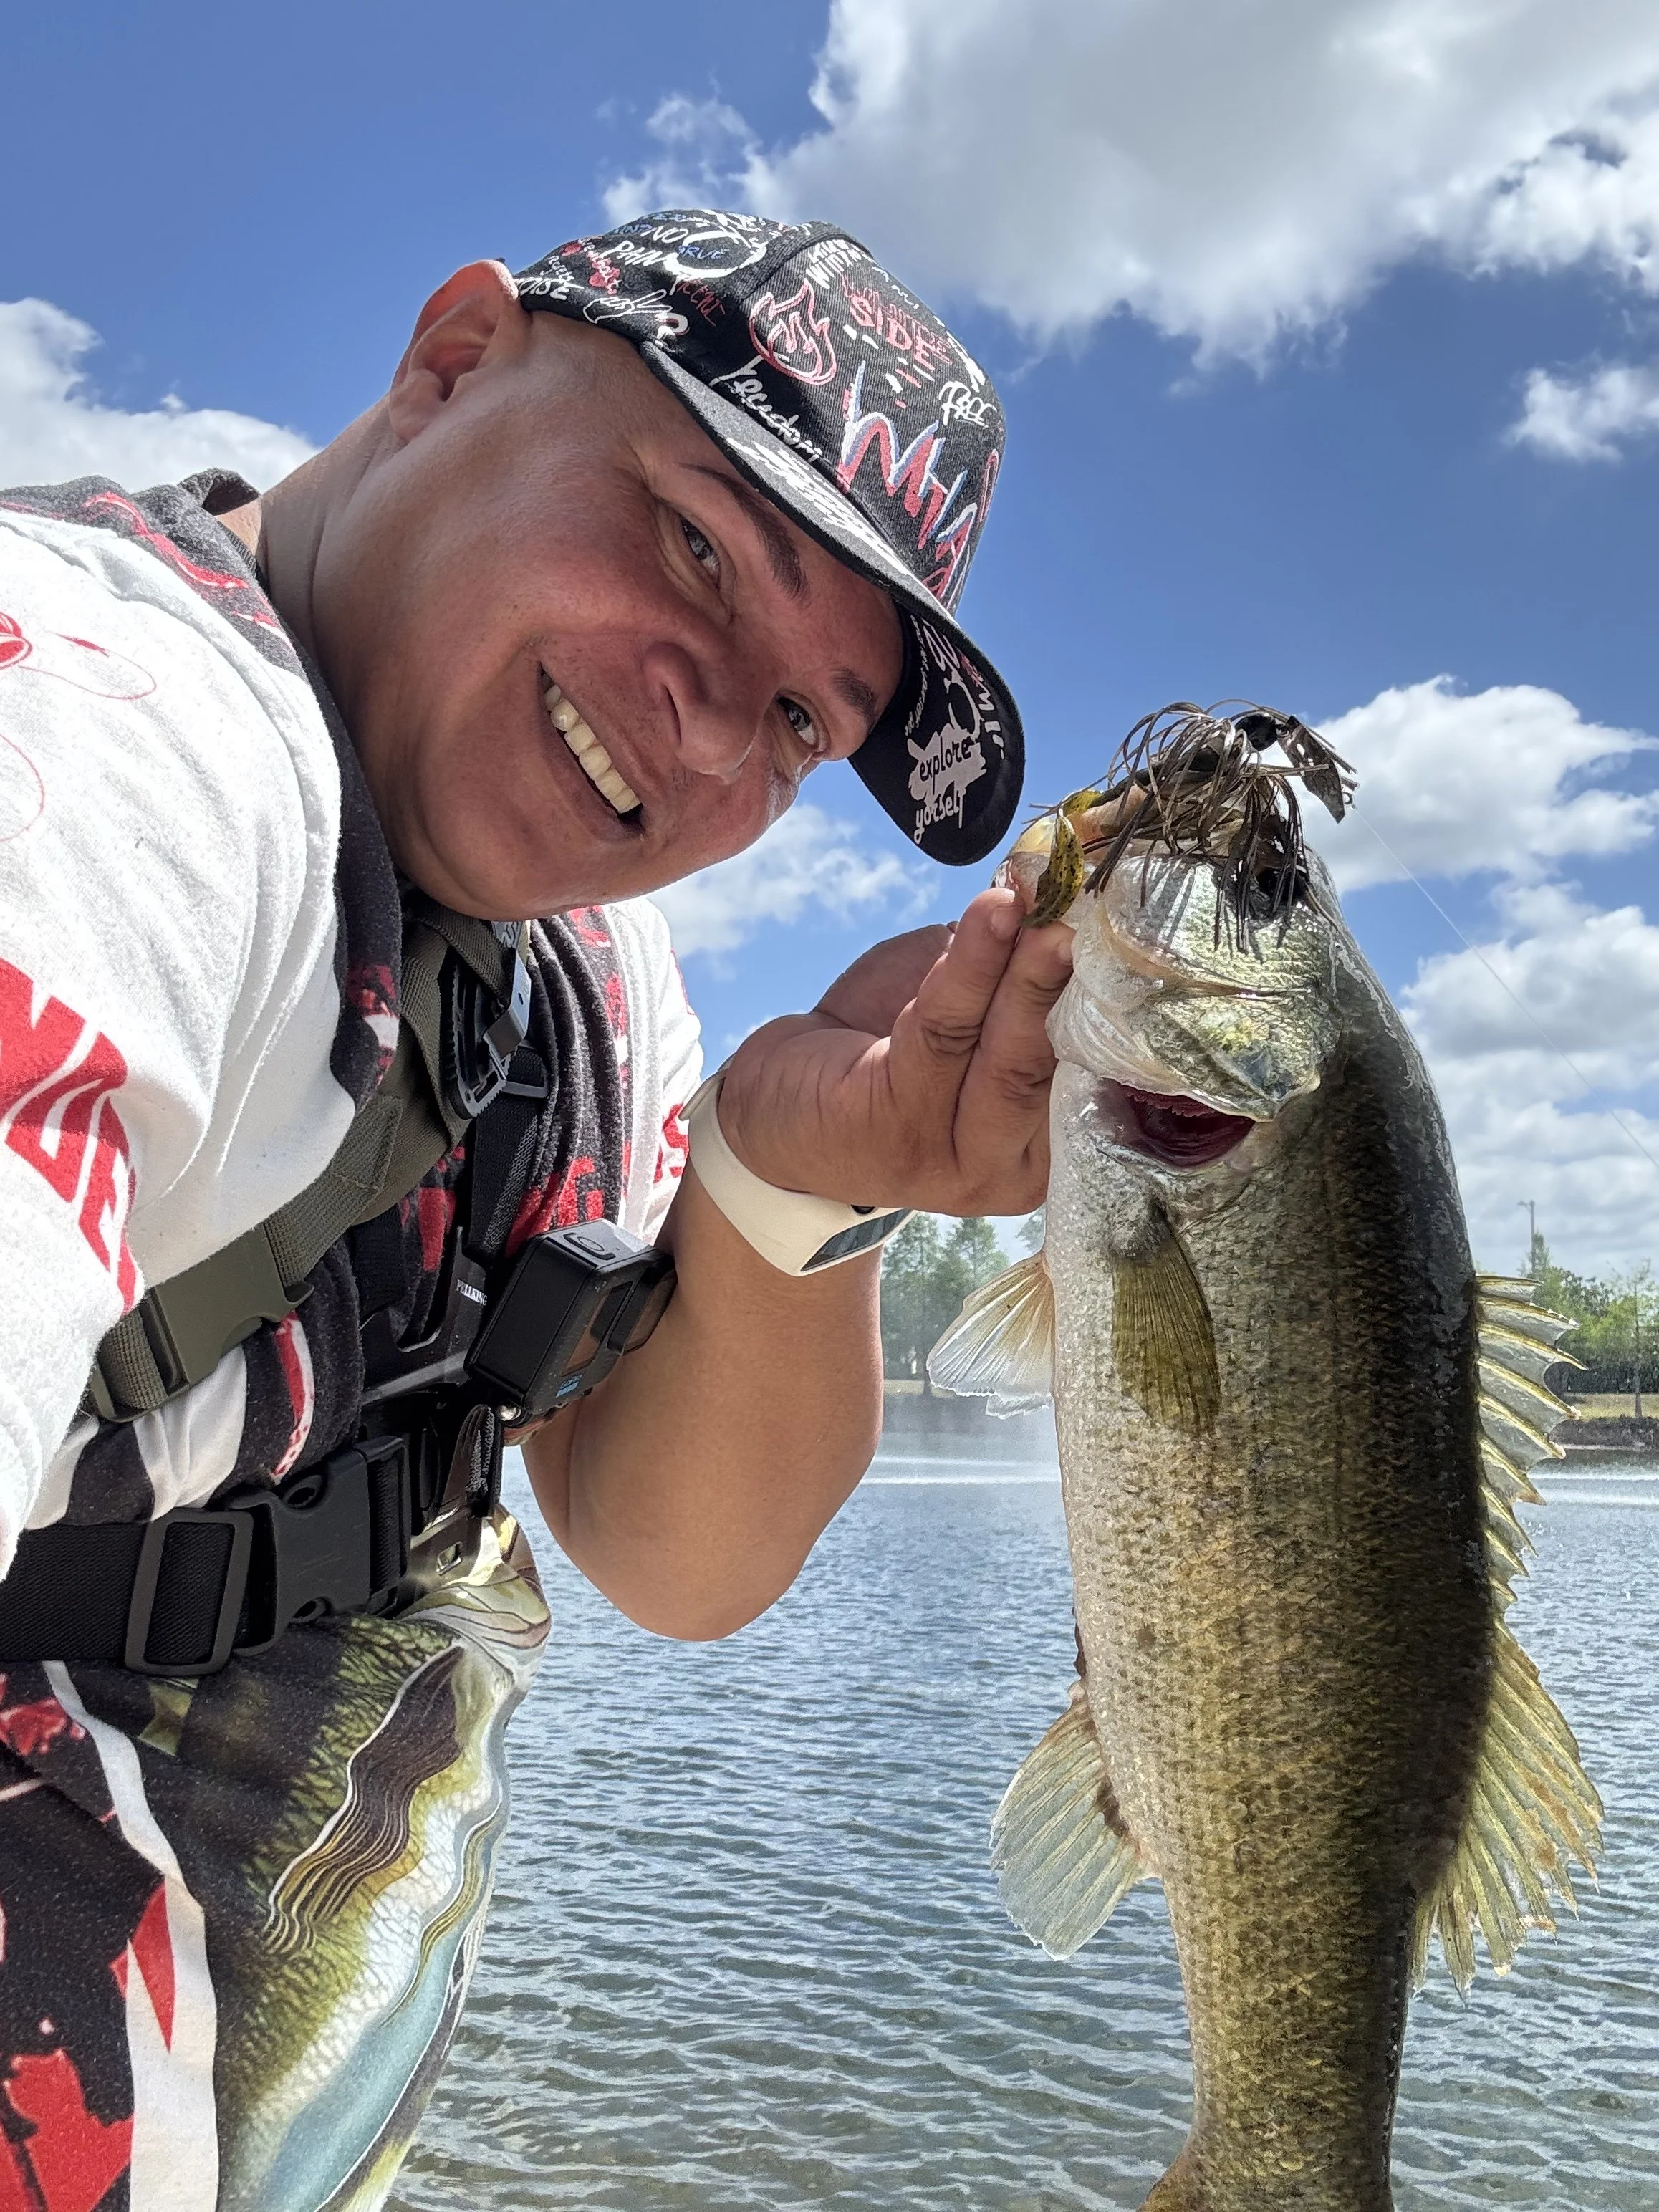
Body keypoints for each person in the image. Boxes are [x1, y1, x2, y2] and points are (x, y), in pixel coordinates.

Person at [0, 210, 1072, 2210]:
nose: (705, 725)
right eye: (692, 544)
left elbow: (670, 1548)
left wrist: (791, 1173)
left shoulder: (589, 974)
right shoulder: (95, 740)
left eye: (800, 726)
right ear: (453, 355)